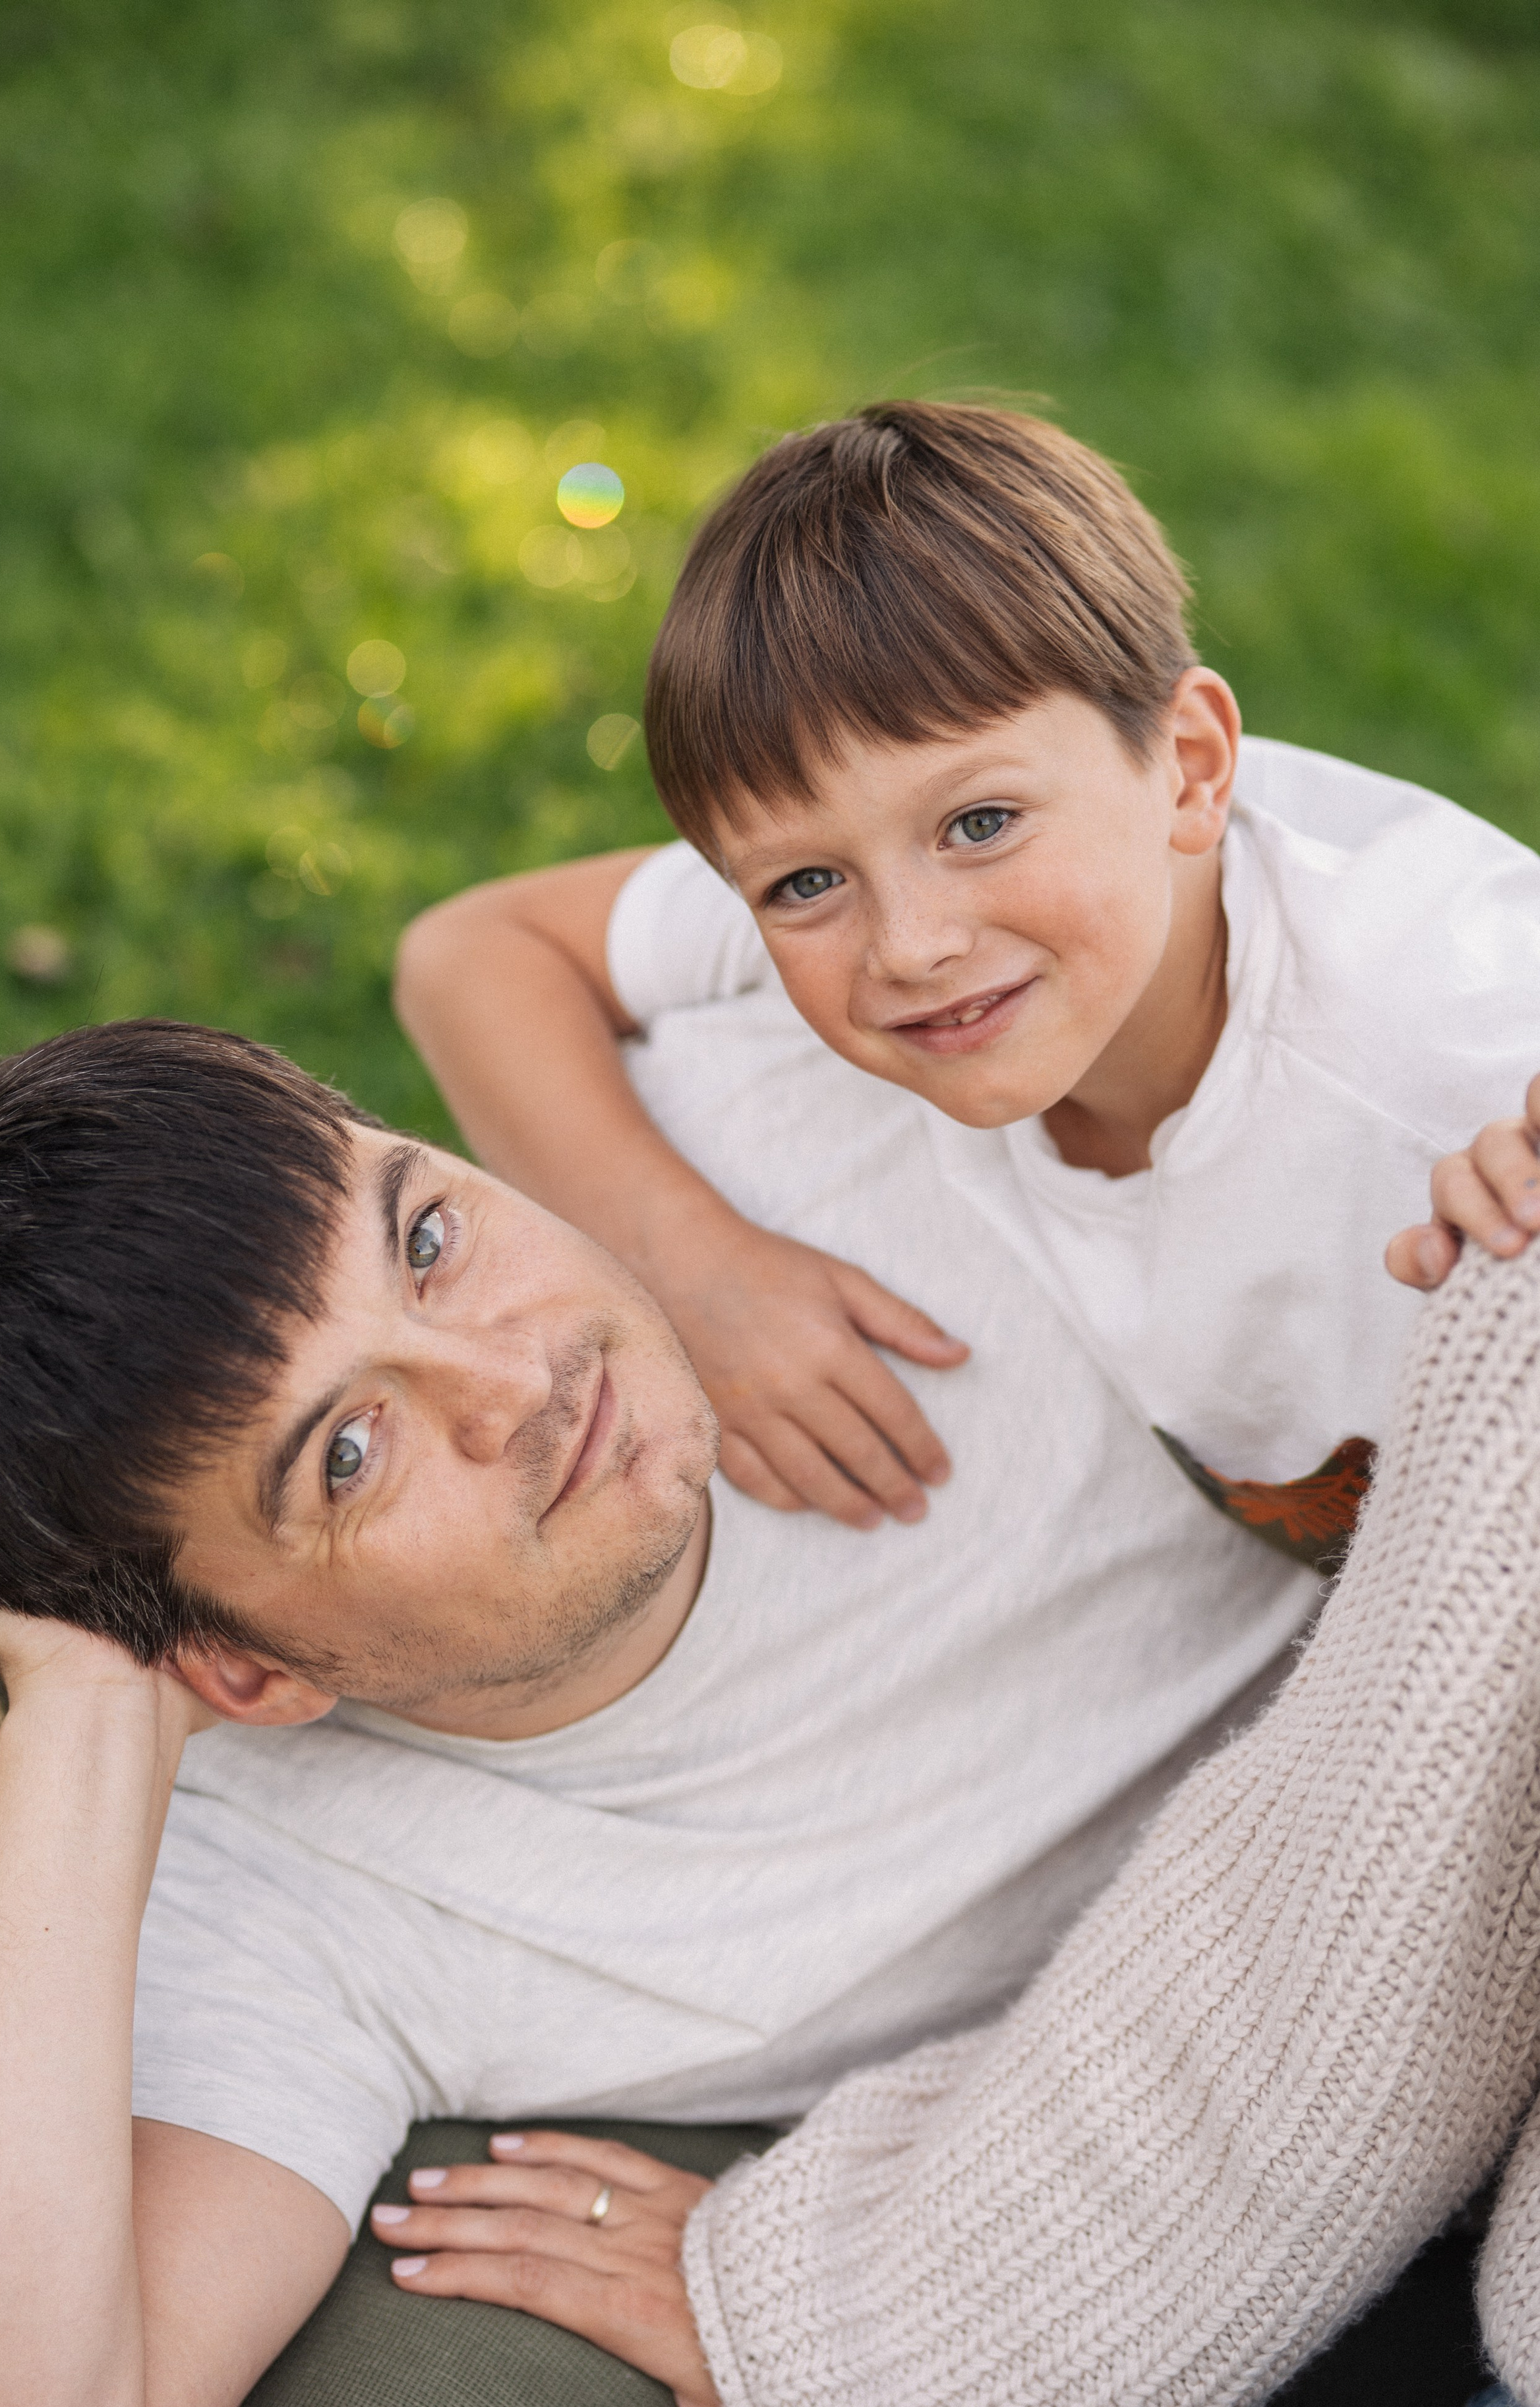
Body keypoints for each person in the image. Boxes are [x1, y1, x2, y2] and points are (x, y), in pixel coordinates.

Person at [0, 1023, 1540, 2407]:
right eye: (351, 1455)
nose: (520, 1379)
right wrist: (83, 1697)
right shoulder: (304, 1914)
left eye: (427, 1237)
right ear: (240, 1672)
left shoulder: (857, 1106)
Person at [398, 401, 1540, 1574]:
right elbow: (472, 955)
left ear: (1191, 769)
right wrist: (686, 1265)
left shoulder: (1438, 1077)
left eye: (981, 825)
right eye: (800, 886)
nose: (909, 944)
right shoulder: (890, 815)